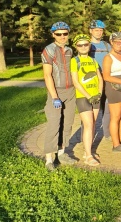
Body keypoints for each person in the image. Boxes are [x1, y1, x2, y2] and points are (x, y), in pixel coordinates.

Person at [41, 21, 77, 171]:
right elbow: (47, 75)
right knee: (54, 124)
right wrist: (55, 97)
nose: (62, 36)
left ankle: (61, 153)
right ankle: (49, 159)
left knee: (67, 123)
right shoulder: (48, 50)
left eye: (65, 33)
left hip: (70, 91)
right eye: (59, 34)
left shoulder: (69, 50)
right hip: (56, 92)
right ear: (53, 34)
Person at [71, 34, 103, 167]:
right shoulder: (75, 61)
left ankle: (87, 150)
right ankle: (89, 156)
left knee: (93, 124)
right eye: (80, 45)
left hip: (96, 96)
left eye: (85, 44)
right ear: (76, 47)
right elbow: (76, 82)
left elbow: (99, 78)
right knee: (88, 124)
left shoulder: (93, 60)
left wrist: (99, 93)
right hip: (83, 97)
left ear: (89, 46)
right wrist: (88, 95)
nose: (83, 47)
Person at [89, 19, 112, 140]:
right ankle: (88, 135)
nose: (99, 32)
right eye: (96, 30)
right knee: (91, 110)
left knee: (107, 108)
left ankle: (107, 133)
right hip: (93, 81)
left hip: (107, 79)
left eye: (101, 30)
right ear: (90, 31)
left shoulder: (107, 45)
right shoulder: (86, 45)